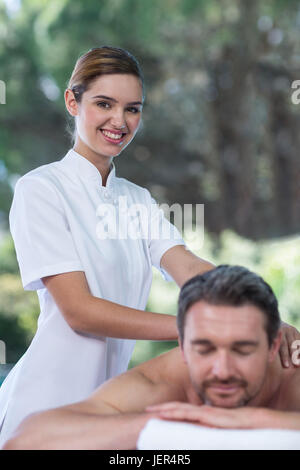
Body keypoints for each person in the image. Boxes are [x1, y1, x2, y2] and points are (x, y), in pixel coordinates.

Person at [0, 45, 215, 447]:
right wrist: (198, 329)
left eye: (132, 108)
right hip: (42, 410)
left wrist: (257, 310)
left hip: (105, 413)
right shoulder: (40, 190)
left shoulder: (136, 200)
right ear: (72, 101)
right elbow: (81, 312)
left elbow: (186, 266)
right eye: (104, 104)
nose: (120, 121)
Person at [3, 265, 300, 450]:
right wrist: (168, 425)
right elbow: (24, 442)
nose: (222, 370)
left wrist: (248, 419)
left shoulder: (294, 369)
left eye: (243, 349)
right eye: (204, 349)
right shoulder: (162, 384)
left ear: (274, 346)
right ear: (183, 346)